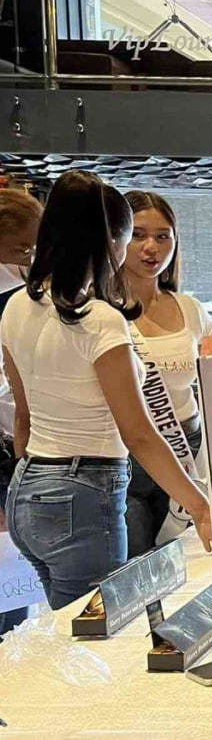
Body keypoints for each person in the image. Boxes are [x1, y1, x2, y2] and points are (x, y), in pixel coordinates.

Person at [1, 171, 212, 611]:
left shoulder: (19, 304)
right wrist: (199, 504)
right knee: (98, 632)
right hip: (84, 491)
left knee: (64, 626)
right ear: (114, 241)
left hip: (28, 487)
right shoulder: (99, 319)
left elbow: (24, 416)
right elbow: (138, 433)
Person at [120, 191, 212, 558]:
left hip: (188, 448)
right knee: (134, 567)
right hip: (126, 458)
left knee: (187, 563)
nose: (152, 247)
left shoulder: (190, 308)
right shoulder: (99, 311)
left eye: (163, 236)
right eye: (138, 235)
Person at [0, 188, 42, 638]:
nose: (31, 259)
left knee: (13, 596)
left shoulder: (21, 296)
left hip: (14, 445)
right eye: (22, 249)